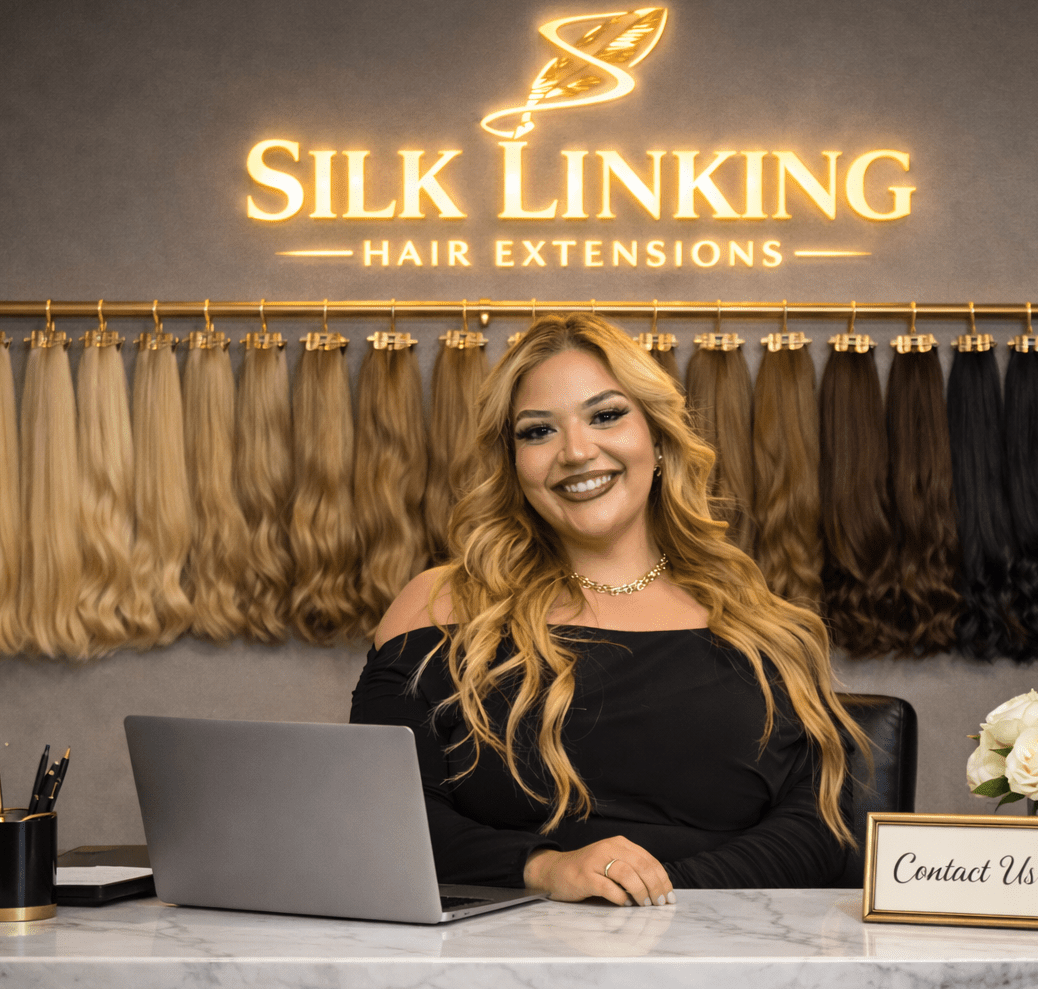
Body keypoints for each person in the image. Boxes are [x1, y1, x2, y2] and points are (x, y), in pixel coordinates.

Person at [350, 313, 867, 908]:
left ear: (658, 438)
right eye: (538, 432)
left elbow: (820, 829)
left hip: (718, 955)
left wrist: (653, 896)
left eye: (606, 415)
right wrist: (545, 869)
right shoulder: (439, 604)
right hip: (494, 957)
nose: (575, 451)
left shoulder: (765, 626)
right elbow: (379, 813)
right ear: (513, 466)